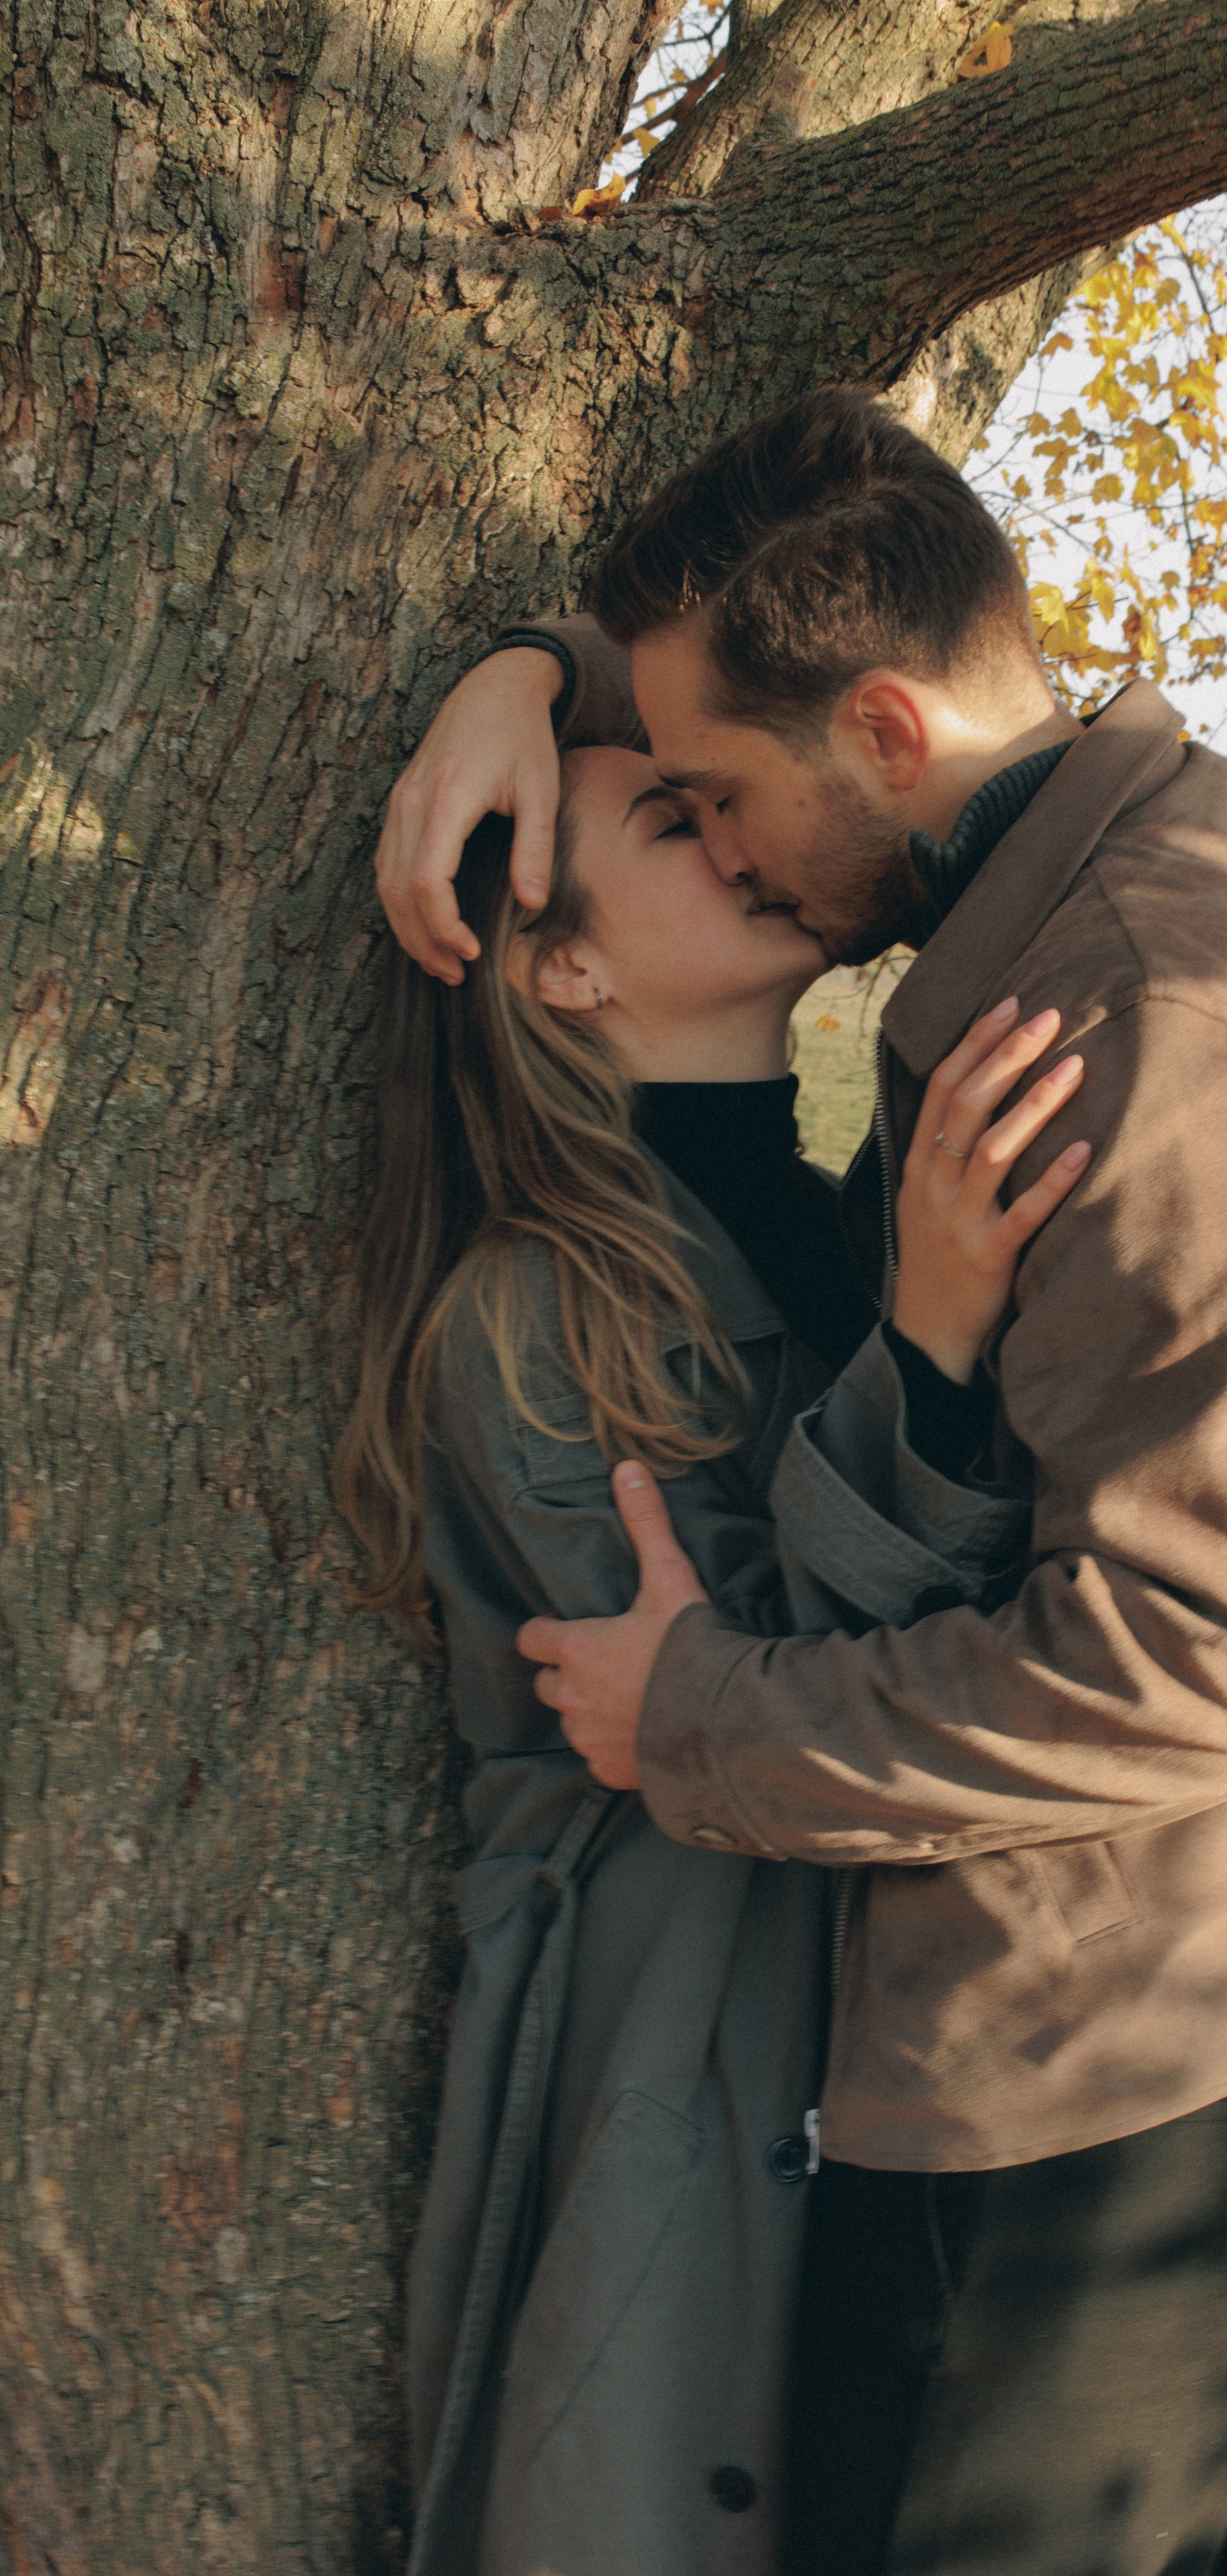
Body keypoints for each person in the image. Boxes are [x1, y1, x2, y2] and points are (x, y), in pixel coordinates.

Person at [376, 387, 1227, 2576]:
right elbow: (718, 700)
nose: (735, 843)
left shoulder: (1141, 1031)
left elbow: (1190, 1668)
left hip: (1105, 2070)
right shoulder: (1092, 886)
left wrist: (700, 1721)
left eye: (721, 799)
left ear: (881, 726)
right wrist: (518, 676)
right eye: (668, 807)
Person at [338, 731, 1089, 2575]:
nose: (743, 836)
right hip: (682, 2052)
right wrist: (921, 1346)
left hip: (874, 2029)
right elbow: (732, 1719)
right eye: (675, 821)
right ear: (558, 965)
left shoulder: (826, 1213)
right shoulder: (532, 1313)